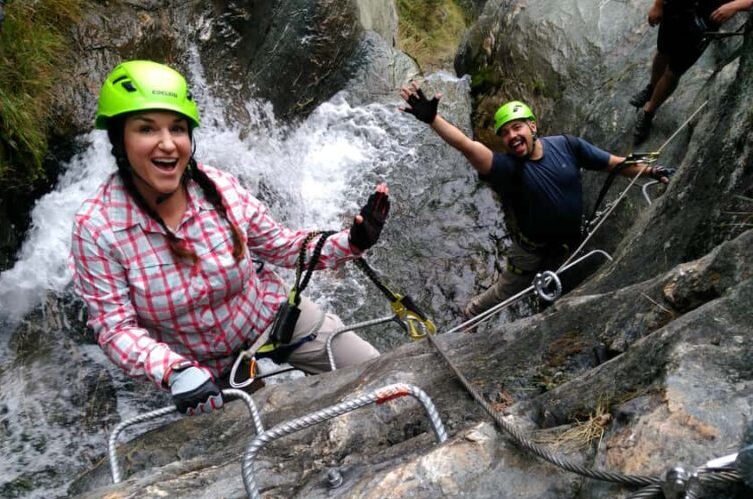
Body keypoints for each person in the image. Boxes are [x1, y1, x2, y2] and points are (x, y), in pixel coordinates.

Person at [71, 60, 388, 416]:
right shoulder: (97, 228)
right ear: (120, 139)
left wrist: (351, 241)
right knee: (262, 434)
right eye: (147, 129)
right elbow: (115, 329)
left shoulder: (218, 188)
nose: (168, 144)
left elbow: (283, 246)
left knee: (381, 375)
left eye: (177, 128)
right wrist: (173, 371)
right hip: (201, 369)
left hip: (269, 318)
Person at [399, 83, 673, 319]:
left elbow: (614, 164)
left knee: (554, 288)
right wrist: (434, 120)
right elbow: (467, 146)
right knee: (507, 291)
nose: (511, 136)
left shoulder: (568, 145)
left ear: (532, 126)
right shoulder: (505, 168)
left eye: (516, 127)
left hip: (568, 244)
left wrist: (652, 170)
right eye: (505, 133)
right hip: (530, 251)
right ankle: (472, 313)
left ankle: (544, 312)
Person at [631, 0, 753, 144]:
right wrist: (658, 5)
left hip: (705, 21)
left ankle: (649, 112)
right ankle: (651, 88)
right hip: (677, 8)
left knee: (674, 71)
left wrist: (736, 5)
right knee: (663, 51)